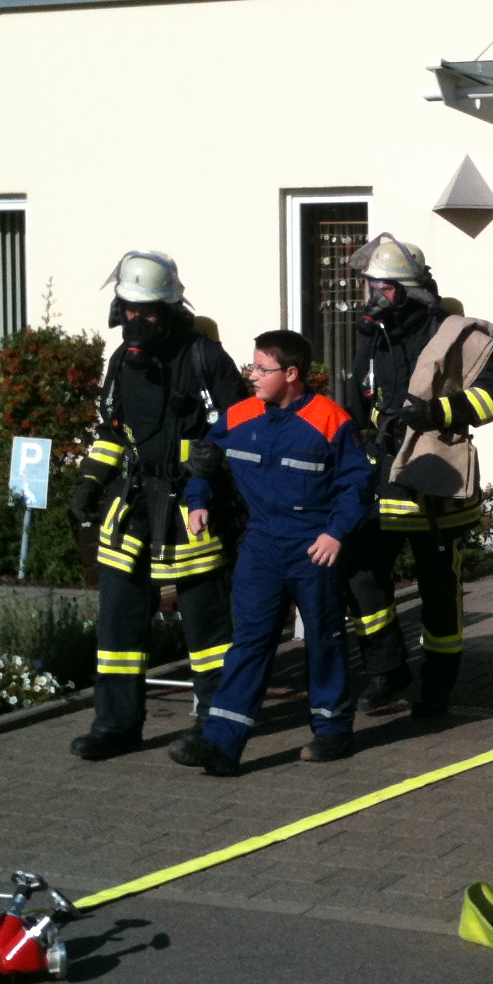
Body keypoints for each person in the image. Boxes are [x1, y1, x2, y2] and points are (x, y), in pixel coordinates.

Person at [167, 330, 374, 776]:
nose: (253, 376)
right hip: (261, 545)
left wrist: (336, 533)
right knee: (250, 642)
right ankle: (221, 743)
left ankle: (333, 731)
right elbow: (205, 461)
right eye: (253, 366)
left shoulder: (330, 419)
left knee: (323, 639)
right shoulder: (239, 415)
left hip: (313, 547)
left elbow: (358, 484)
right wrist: (198, 500)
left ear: (292, 374)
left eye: (263, 369)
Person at [67, 251, 248, 760]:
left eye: (147, 311)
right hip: (132, 509)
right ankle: (116, 725)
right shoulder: (121, 362)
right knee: (118, 627)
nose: (137, 319)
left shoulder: (204, 358)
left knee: (208, 631)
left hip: (194, 508)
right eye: (129, 308)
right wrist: (88, 483)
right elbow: (112, 433)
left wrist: (211, 460)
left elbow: (242, 423)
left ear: (168, 309)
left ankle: (215, 727)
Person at [342, 232, 493, 719]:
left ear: (410, 290)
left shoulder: (453, 335)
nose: (373, 295)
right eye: (369, 285)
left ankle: (437, 685)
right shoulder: (373, 336)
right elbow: (357, 404)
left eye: (383, 286)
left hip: (436, 484)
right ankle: (387, 668)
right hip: (384, 478)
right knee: (360, 572)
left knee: (440, 590)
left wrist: (437, 412)